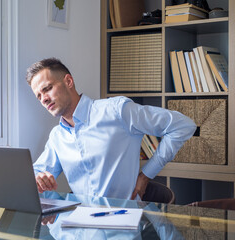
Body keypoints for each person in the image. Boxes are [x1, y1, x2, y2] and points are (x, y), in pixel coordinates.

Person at [26, 57, 196, 200]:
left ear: (68, 81)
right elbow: (37, 171)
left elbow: (182, 125)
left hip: (123, 224)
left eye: (47, 89)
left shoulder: (116, 111)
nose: (44, 99)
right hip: (81, 224)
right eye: (38, 96)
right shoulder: (57, 136)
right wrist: (38, 177)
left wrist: (146, 175)